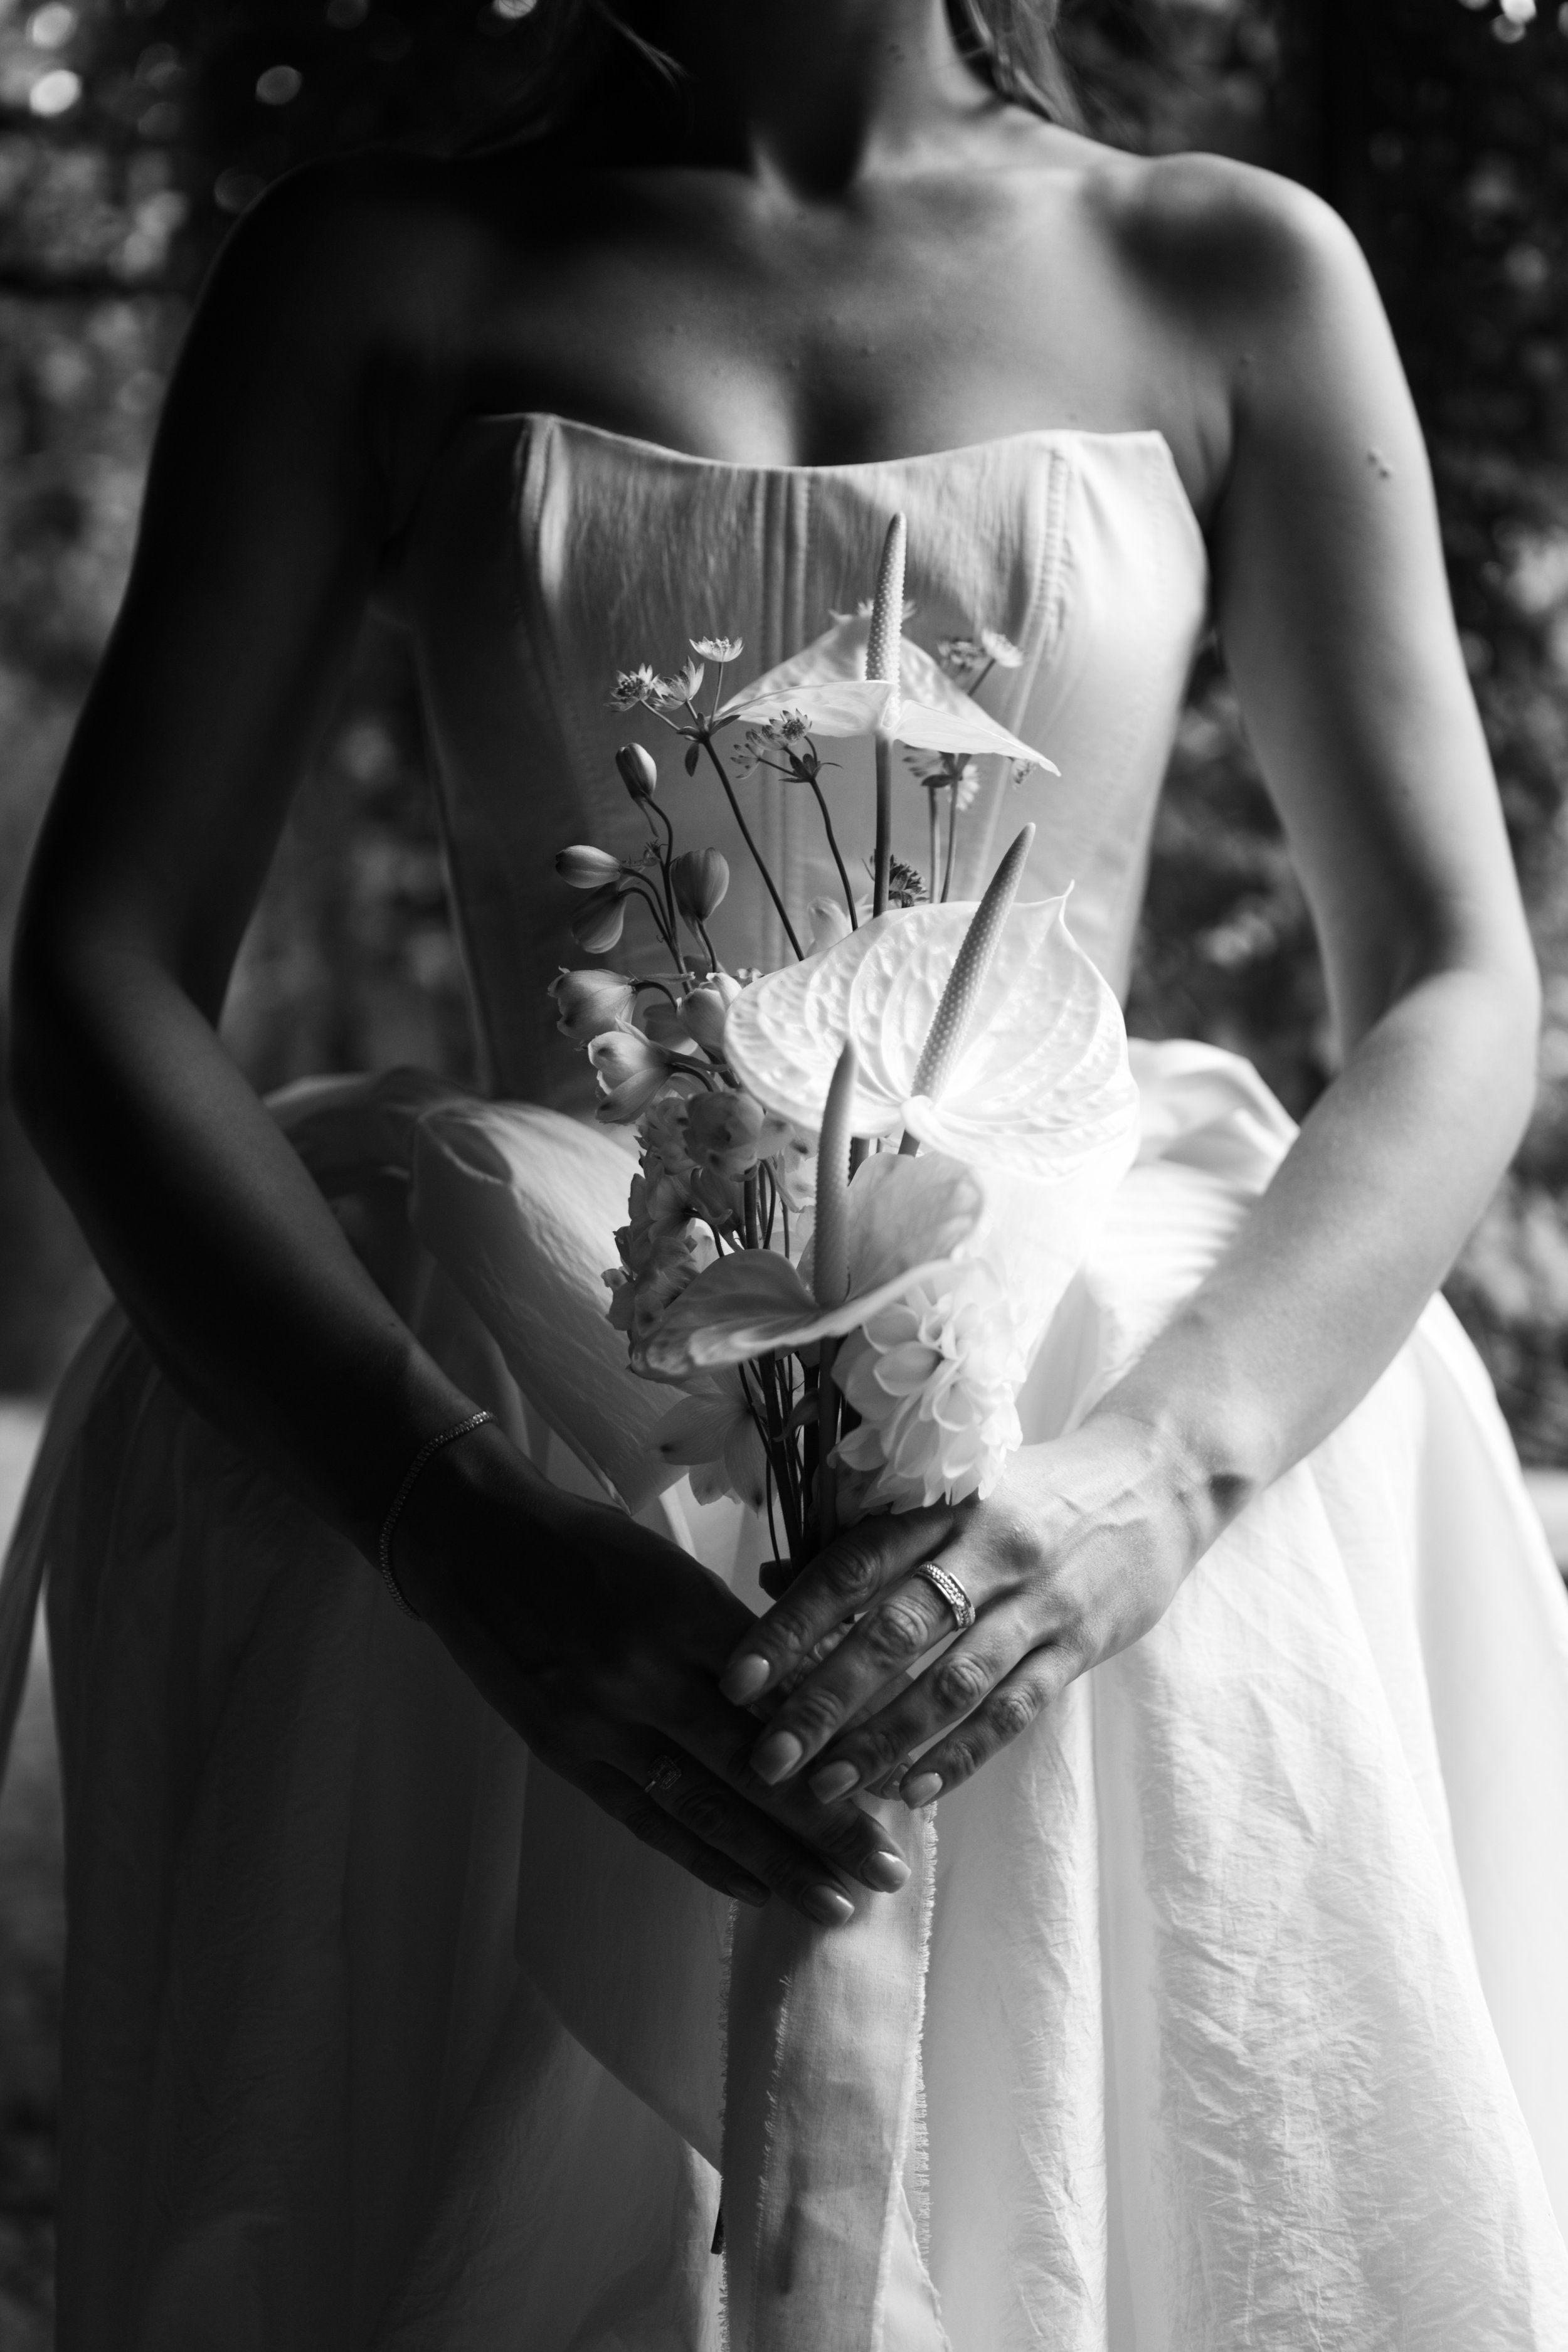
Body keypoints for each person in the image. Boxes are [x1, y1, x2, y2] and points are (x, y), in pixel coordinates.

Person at [3, 0, 1568, 2341]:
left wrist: (1161, 1474)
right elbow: (100, 973)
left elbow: (1457, 976)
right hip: (530, 1439)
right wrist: (450, 1528)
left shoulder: (1228, 270)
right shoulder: (377, 273)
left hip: (1076, 1453)